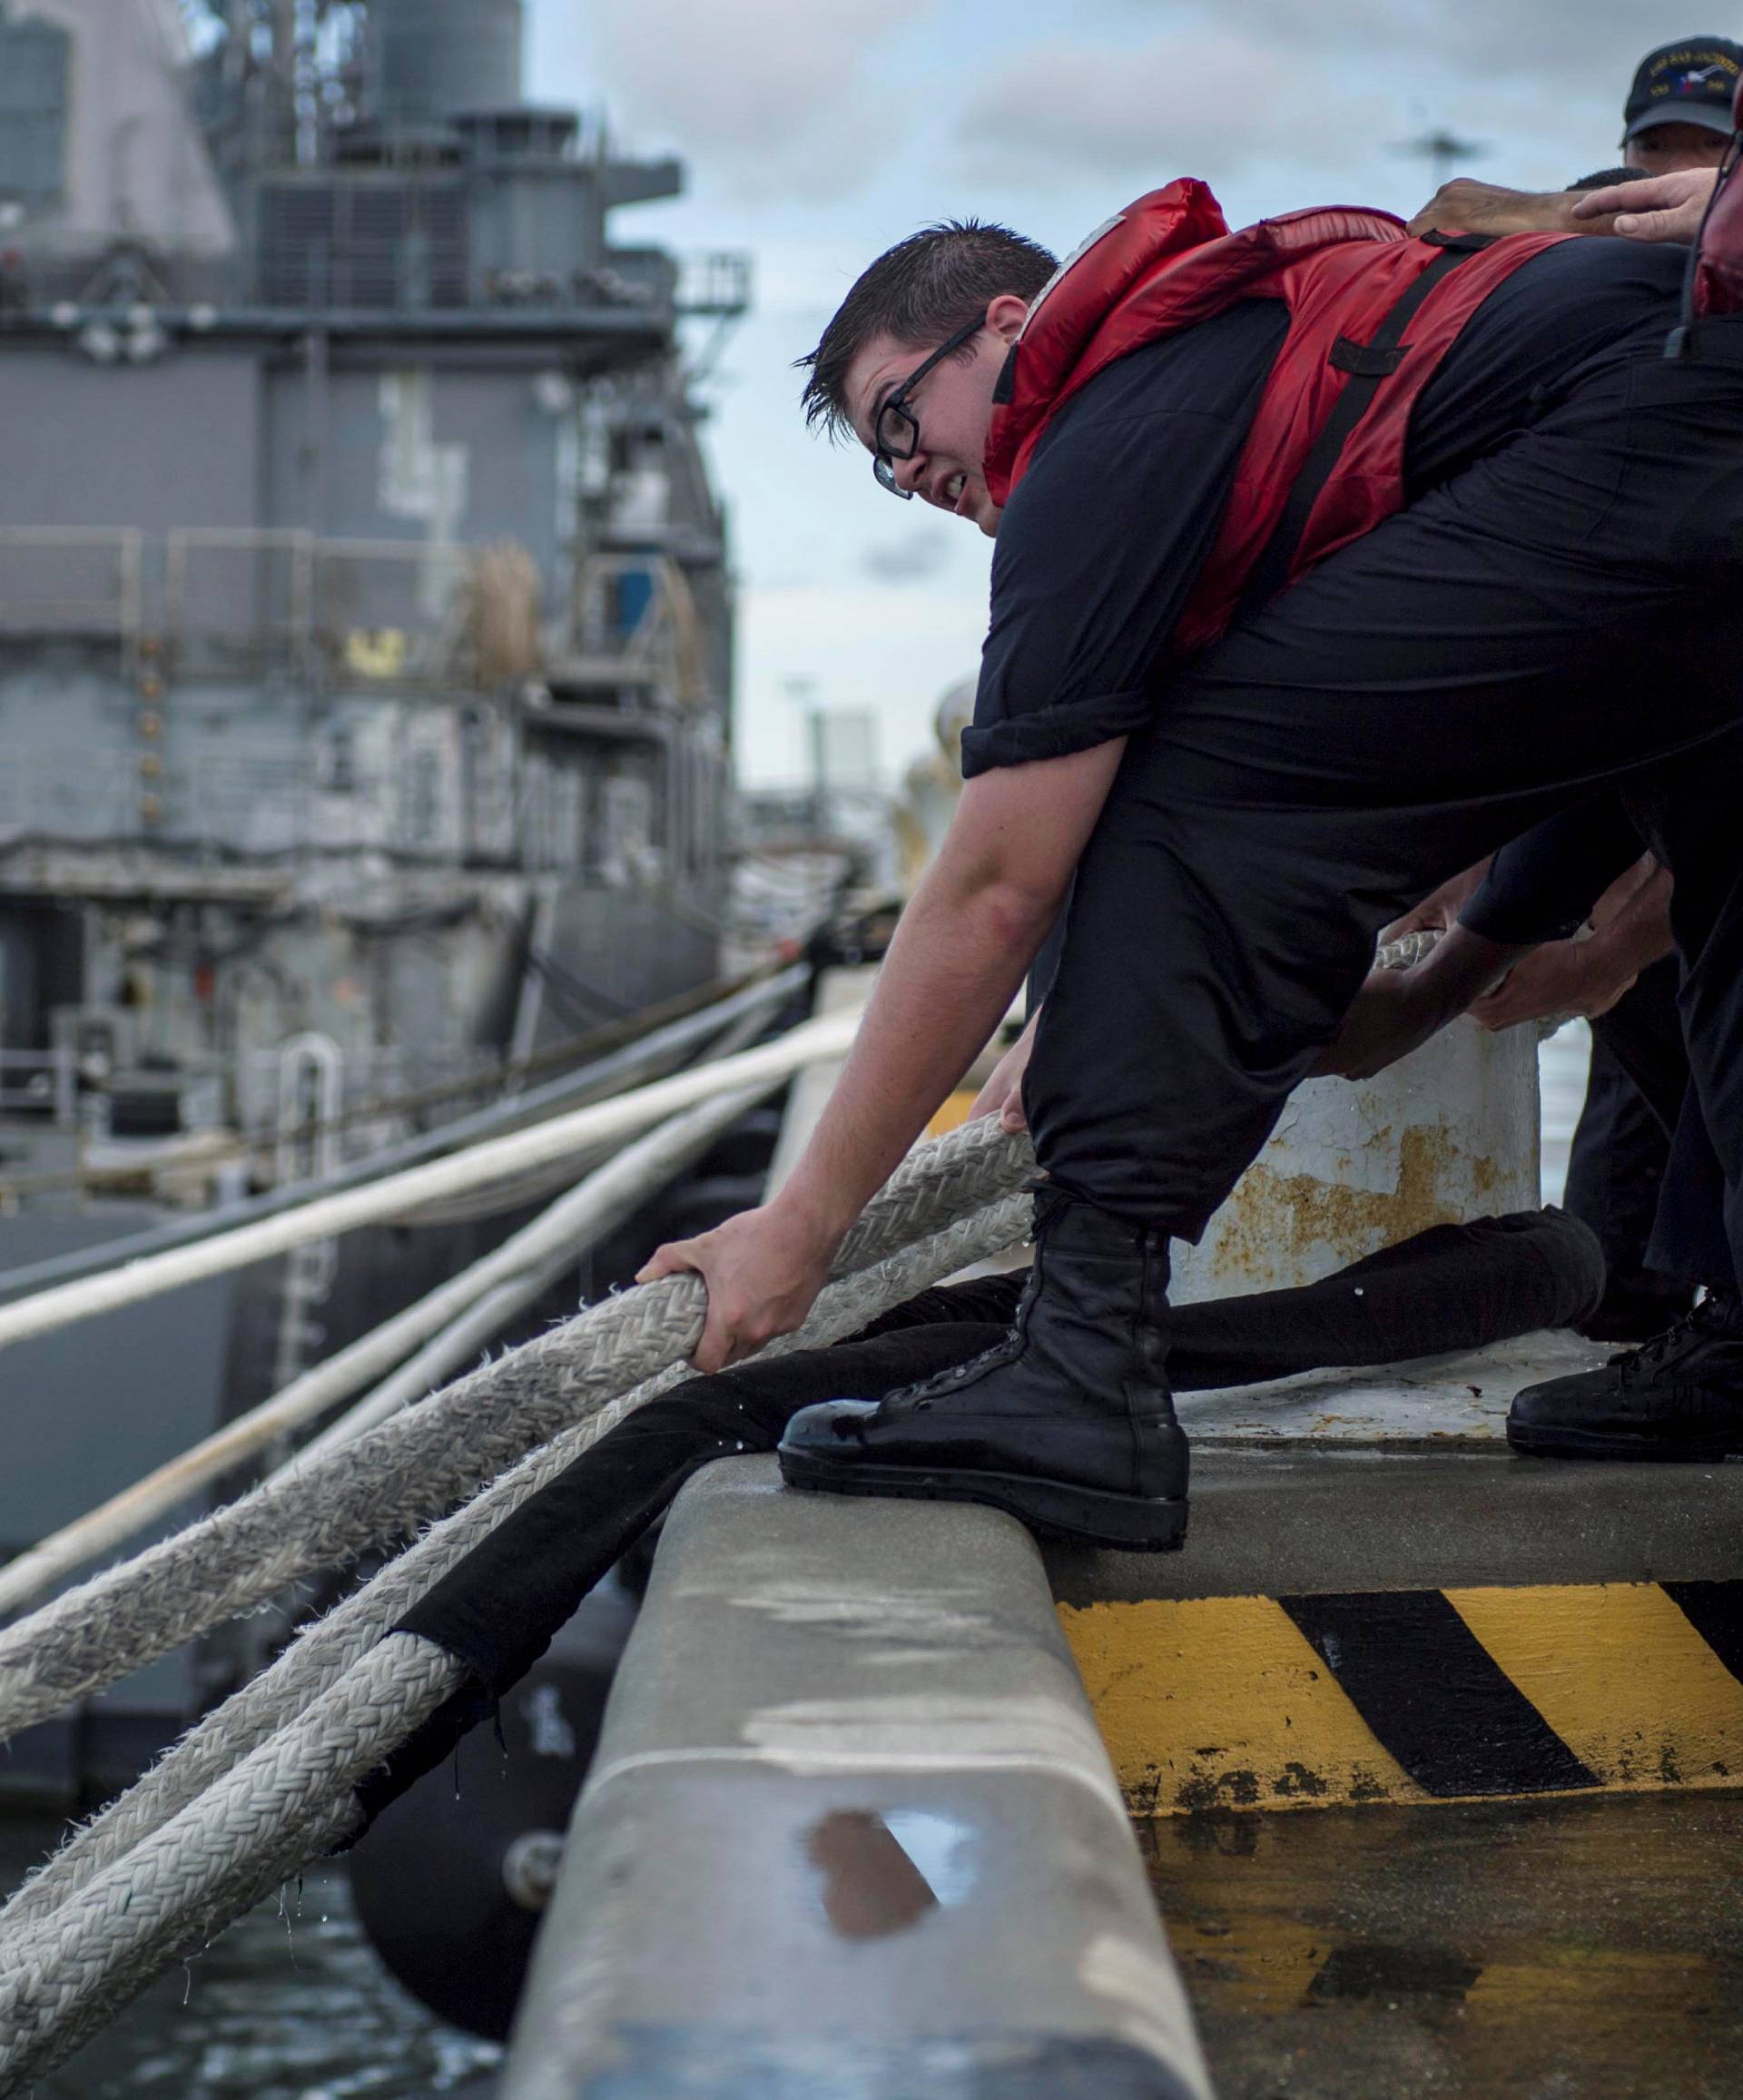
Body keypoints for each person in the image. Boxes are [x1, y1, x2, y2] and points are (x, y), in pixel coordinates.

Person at [634, 168, 1743, 1553]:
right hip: (1689, 437)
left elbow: (998, 879)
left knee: (1184, 789)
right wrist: (1443, 973)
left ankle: (1082, 1368)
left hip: (1662, 426)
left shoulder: (1102, 418)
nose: (908, 473)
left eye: (903, 416)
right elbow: (1597, 696)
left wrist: (797, 1227)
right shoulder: (1239, 385)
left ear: (1009, 323)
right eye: (881, 458)